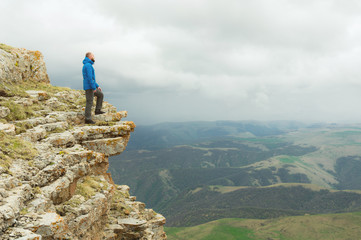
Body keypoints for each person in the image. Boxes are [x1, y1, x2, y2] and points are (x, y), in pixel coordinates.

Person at [82, 52, 105, 124]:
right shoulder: (88, 65)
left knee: (100, 94)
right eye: (93, 56)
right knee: (89, 102)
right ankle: (87, 119)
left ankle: (97, 110)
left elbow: (92, 78)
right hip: (89, 87)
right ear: (90, 56)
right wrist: (93, 87)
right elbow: (89, 78)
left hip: (91, 86)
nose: (93, 57)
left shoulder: (89, 65)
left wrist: (97, 86)